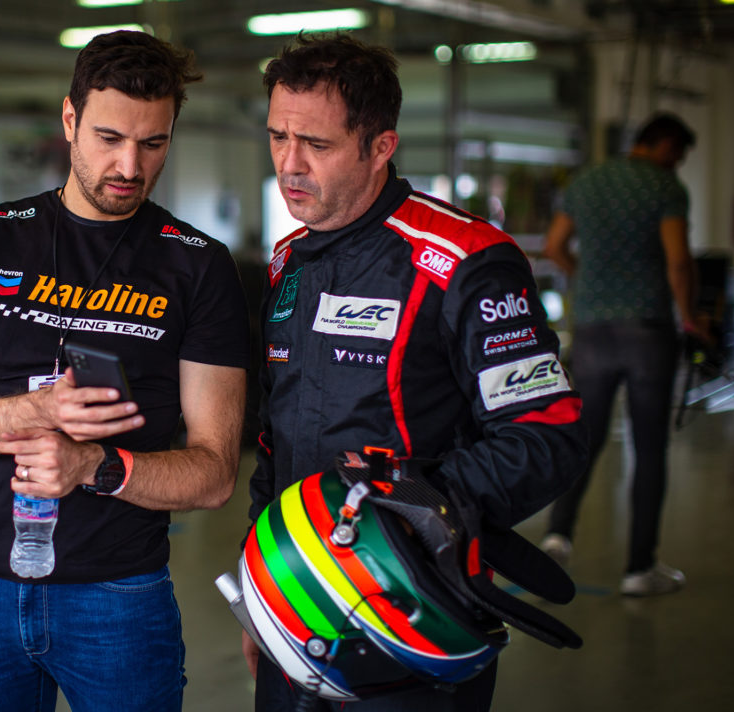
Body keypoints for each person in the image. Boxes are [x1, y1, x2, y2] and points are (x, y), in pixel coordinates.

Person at [243, 33, 587, 711]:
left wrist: (406, 505)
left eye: (317, 144)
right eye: (278, 137)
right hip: (299, 602)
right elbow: (274, 442)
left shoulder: (466, 261)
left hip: (413, 611)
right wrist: (266, 586)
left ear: (381, 146)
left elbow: (548, 433)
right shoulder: (286, 262)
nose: (289, 163)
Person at [0, 30, 249, 712]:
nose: (130, 165)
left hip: (117, 595)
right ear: (69, 120)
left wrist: (94, 465)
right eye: (109, 138)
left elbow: (215, 473)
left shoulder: (197, 265)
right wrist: (38, 410)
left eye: (153, 143)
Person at [540, 113, 706, 596]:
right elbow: (678, 261)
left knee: (586, 437)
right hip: (648, 330)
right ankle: (639, 568)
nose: (678, 163)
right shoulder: (665, 187)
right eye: (678, 154)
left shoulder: (587, 182)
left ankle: (557, 535)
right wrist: (691, 317)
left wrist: (589, 281)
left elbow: (554, 246)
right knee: (649, 447)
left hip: (593, 330)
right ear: (664, 145)